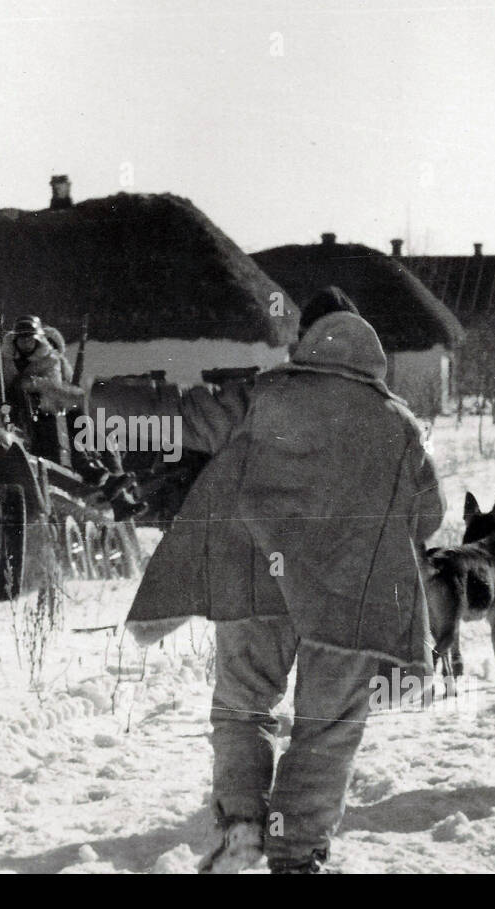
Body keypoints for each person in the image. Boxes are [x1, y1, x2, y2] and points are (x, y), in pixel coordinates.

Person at [125, 286, 445, 874]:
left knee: (243, 706)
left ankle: (243, 825)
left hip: (256, 580)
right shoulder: (398, 423)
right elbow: (429, 517)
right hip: (350, 594)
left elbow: (187, 419)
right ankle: (296, 853)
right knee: (329, 725)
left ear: (307, 342)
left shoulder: (262, 394)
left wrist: (98, 405)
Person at [1, 316, 142, 519]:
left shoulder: (50, 361)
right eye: (21, 338)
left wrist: (34, 385)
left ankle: (115, 489)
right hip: (23, 416)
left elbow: (57, 390)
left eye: (30, 338)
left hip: (50, 413)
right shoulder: (5, 361)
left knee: (82, 436)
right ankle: (111, 486)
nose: (25, 342)